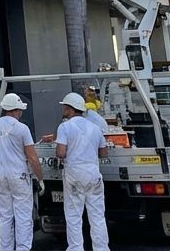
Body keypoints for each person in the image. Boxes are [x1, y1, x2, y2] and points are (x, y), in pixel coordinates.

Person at [0, 93, 42, 251]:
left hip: (1, 176)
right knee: (23, 217)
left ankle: (6, 248)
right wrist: (40, 178)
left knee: (5, 216)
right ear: (15, 111)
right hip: (20, 177)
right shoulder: (22, 128)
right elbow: (32, 157)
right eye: (20, 110)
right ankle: (22, 248)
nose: (21, 113)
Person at [55, 92, 109, 251]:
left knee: (73, 217)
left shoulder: (65, 126)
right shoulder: (95, 127)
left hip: (74, 175)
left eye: (64, 106)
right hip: (93, 173)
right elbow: (104, 153)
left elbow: (61, 153)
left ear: (70, 108)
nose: (63, 108)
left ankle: (76, 248)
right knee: (98, 217)